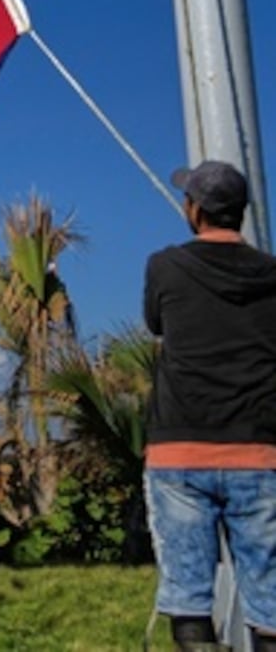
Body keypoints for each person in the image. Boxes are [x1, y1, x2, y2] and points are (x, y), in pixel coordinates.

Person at [143, 160, 276, 651]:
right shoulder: (271, 275)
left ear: (194, 210)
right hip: (259, 453)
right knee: (272, 602)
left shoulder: (165, 266)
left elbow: (156, 322)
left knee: (189, 599)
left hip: (180, 452)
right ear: (241, 212)